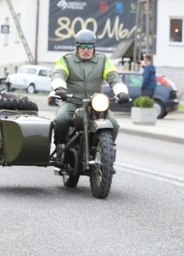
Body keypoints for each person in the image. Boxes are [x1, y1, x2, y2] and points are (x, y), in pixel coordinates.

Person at [50, 30, 130, 163]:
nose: (85, 50)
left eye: (89, 47)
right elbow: (58, 73)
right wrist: (60, 87)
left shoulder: (103, 60)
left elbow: (114, 77)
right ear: (77, 47)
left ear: (94, 47)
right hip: (72, 101)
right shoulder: (66, 59)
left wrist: (121, 91)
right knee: (62, 119)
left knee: (114, 124)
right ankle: (60, 146)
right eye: (82, 46)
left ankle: (108, 150)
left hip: (95, 104)